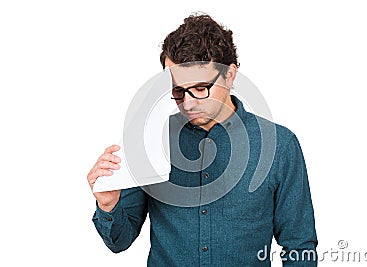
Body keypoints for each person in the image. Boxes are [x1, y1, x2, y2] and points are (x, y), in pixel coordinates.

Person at [87, 13, 318, 266]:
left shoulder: (280, 146)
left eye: (200, 88)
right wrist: (108, 204)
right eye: (178, 90)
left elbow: (299, 246)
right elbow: (119, 241)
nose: (187, 103)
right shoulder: (148, 140)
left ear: (230, 75)